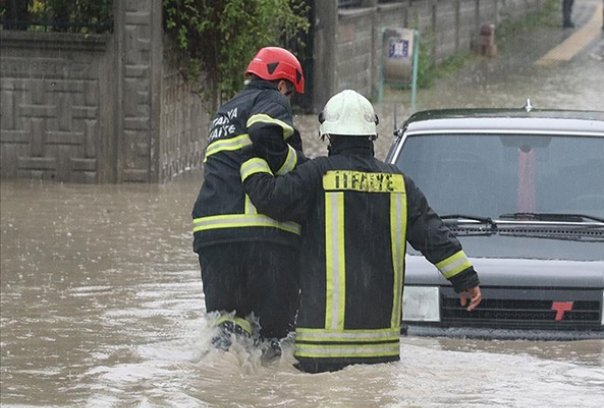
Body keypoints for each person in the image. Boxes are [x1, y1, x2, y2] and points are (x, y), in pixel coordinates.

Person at [239, 90, 483, 373]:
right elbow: (433, 235)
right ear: (372, 135)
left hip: (321, 348)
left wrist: (250, 159)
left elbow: (270, 199)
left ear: (328, 136)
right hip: (380, 351)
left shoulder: (317, 175)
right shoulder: (400, 183)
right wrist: (465, 279)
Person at [191, 46, 308, 360]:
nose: (289, 98)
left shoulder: (225, 111)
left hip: (212, 237)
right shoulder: (271, 100)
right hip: (258, 235)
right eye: (291, 92)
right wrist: (295, 164)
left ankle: (224, 392)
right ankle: (266, 400)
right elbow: (263, 131)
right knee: (275, 336)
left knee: (226, 329)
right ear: (282, 83)